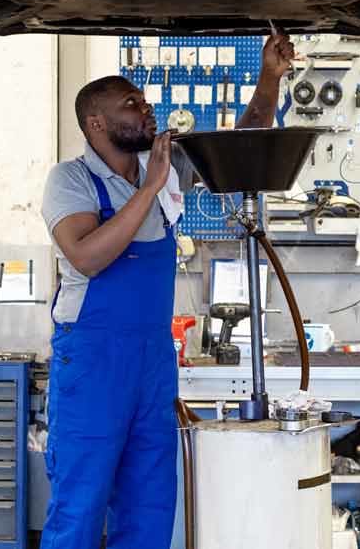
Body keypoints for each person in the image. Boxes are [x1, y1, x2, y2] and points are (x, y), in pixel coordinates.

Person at [37, 32, 294, 548]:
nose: (145, 107)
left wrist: (269, 77)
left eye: (143, 99)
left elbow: (241, 142)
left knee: (150, 505)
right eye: (130, 104)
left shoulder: (168, 166)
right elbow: (86, 255)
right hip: (92, 364)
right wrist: (151, 187)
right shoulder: (71, 180)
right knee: (80, 507)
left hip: (153, 363)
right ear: (97, 124)